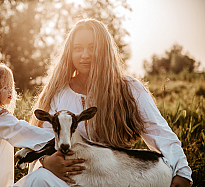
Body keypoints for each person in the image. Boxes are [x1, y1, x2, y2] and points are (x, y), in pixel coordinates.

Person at [15, 19, 192, 187]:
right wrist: (45, 161)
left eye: (93, 48)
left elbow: (159, 132)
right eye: (78, 48)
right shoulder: (58, 93)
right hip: (70, 179)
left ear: (105, 50)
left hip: (113, 177)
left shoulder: (129, 89)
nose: (85, 55)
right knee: (38, 179)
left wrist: (182, 171)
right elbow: (41, 140)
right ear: (69, 52)